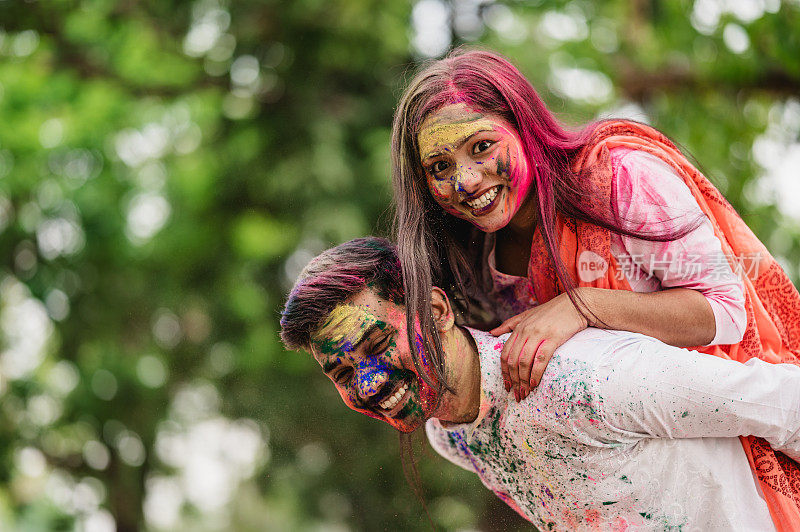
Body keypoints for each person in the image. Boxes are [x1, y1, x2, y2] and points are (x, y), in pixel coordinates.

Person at [390, 48, 800, 524]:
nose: (465, 180)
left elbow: (727, 314)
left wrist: (582, 305)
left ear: (523, 125)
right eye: (439, 168)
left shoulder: (620, 178)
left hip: (741, 443)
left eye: (481, 147)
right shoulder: (470, 262)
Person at [280, 237, 800, 531]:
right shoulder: (451, 434)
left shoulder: (581, 376)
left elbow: (787, 403)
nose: (368, 382)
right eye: (343, 373)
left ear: (436, 310)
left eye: (376, 346)